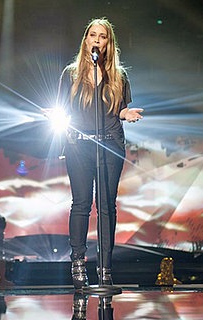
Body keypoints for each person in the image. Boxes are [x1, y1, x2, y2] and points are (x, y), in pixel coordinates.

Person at [56, 17, 143, 290]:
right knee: (81, 203)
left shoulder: (119, 75)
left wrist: (125, 113)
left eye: (102, 36)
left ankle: (105, 267)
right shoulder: (71, 74)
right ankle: (78, 263)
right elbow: (64, 109)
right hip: (79, 145)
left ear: (108, 43)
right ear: (86, 40)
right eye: (92, 35)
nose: (96, 39)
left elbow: (118, 109)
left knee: (106, 206)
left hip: (110, 145)